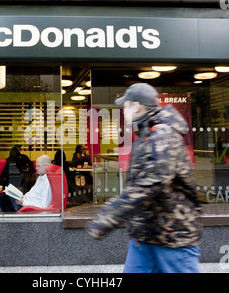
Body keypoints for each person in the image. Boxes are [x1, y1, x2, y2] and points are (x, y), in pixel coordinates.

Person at [86, 83, 203, 273]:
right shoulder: (146, 133)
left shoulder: (164, 134)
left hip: (173, 237)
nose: (123, 110)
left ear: (137, 106)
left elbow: (152, 184)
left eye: (126, 105)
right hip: (145, 237)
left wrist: (109, 216)